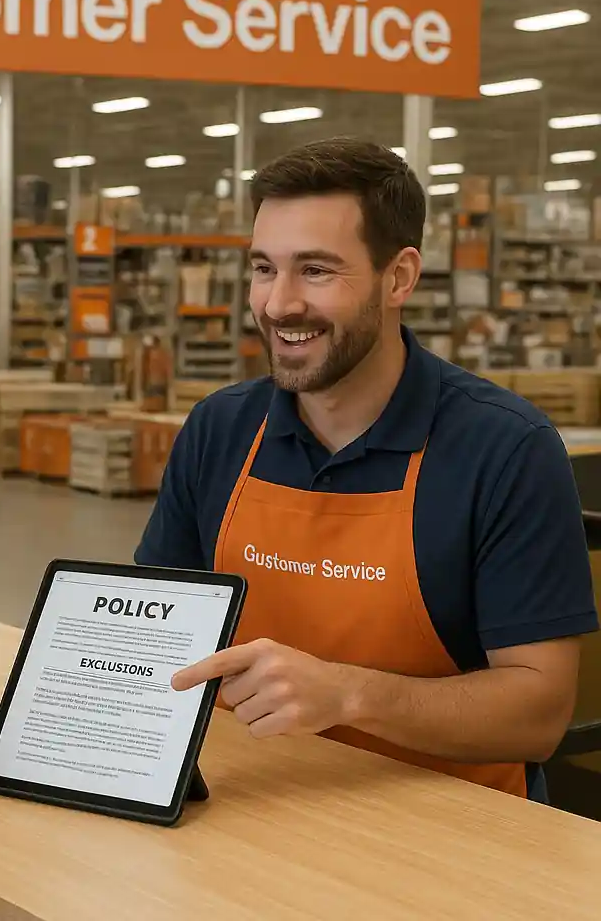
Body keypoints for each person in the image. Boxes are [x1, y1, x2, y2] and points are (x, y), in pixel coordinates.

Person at [137, 137, 598, 801]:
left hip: (448, 826)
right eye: (265, 268)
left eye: (317, 271)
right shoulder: (221, 429)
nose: (278, 304)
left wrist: (348, 693)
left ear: (400, 277)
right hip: (251, 803)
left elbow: (539, 715)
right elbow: (155, 630)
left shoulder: (504, 449)